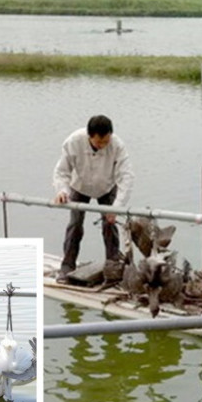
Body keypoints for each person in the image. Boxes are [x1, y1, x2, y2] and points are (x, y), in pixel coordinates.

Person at [53, 115, 134, 283]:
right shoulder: (74, 141)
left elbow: (126, 177)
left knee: (109, 226)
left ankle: (113, 267)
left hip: (106, 186)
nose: (103, 146)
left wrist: (117, 207)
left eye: (106, 141)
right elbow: (62, 172)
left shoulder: (117, 145)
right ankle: (67, 266)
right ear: (89, 136)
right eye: (99, 142)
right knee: (75, 225)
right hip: (79, 185)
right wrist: (62, 191)